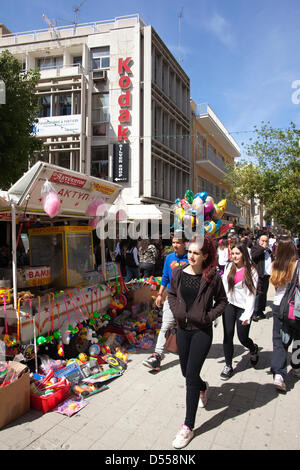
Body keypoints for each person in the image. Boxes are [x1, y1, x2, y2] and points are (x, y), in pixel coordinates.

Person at [168, 236, 228, 449]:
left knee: (190, 377)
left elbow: (223, 301)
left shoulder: (212, 277)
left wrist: (207, 317)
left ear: (204, 256)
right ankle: (203, 387)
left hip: (202, 332)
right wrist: (177, 312)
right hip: (182, 330)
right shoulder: (178, 273)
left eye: (196, 253)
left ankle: (188, 427)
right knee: (187, 373)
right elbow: (171, 295)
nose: (191, 256)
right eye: (190, 252)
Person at [142, 233, 188, 371]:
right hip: (172, 297)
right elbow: (165, 277)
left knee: (186, 327)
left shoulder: (191, 257)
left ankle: (187, 350)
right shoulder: (169, 258)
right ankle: (157, 355)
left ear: (185, 243)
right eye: (173, 242)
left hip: (188, 299)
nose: (175, 245)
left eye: (178, 242)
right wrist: (160, 294)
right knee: (165, 325)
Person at [220, 242, 259, 380]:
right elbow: (224, 286)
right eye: (233, 253)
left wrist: (248, 314)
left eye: (238, 254)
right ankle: (228, 365)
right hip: (230, 305)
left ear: (244, 254)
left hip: (243, 308)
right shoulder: (229, 266)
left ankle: (253, 348)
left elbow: (251, 294)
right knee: (228, 334)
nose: (235, 256)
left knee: (242, 338)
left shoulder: (251, 270)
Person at [270, 236, 300, 392]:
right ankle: (296, 367)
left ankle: (279, 375)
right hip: (295, 308)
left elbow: (275, 285)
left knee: (279, 341)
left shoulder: (276, 265)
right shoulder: (297, 264)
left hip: (278, 307)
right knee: (298, 338)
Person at [251, 234, 272, 321]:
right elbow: (254, 256)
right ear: (259, 241)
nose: (264, 243)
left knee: (263, 294)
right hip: (258, 275)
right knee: (257, 294)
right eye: (262, 241)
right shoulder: (255, 248)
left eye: (266, 241)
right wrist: (262, 248)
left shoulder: (268, 250)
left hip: (266, 276)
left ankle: (260, 311)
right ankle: (254, 312)